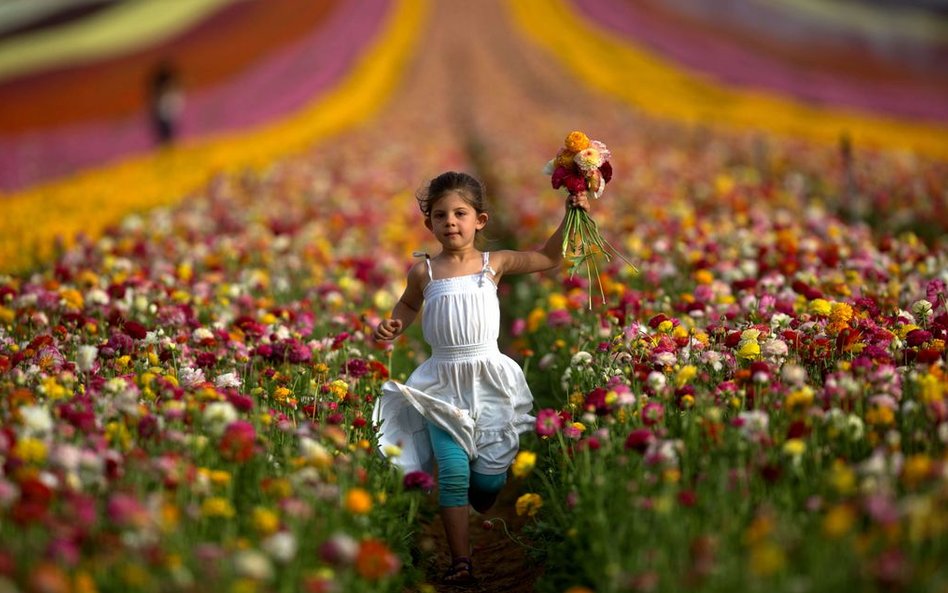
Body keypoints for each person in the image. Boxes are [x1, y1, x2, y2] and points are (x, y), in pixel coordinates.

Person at [372, 171, 589, 585]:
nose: (450, 222)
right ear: (428, 224)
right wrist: (392, 326)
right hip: (441, 383)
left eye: (460, 213)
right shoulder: (425, 272)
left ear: (480, 220)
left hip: (489, 379)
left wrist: (570, 213)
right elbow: (406, 306)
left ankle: (487, 488)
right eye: (440, 215)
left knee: (486, 483)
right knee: (453, 472)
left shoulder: (496, 263)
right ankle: (461, 563)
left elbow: (549, 256)